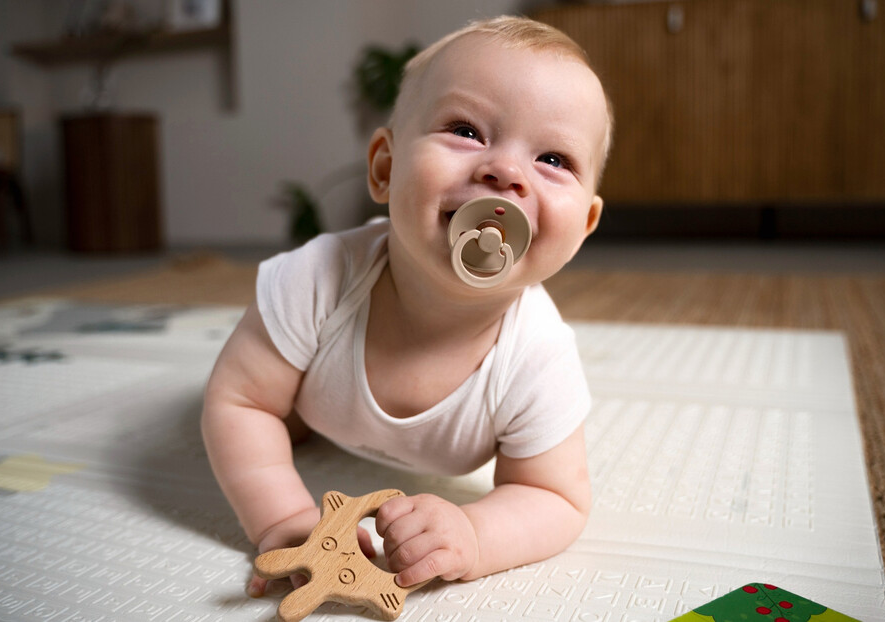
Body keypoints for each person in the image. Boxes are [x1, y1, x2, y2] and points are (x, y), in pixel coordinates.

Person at [201, 15, 614, 598]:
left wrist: (473, 532)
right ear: (385, 168)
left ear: (584, 227)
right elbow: (238, 402)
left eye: (553, 159)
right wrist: (284, 520)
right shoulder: (317, 278)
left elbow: (556, 498)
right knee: (269, 397)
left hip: (348, 409)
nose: (507, 171)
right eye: (468, 130)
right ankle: (294, 407)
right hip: (309, 404)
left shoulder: (538, 355)